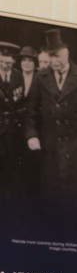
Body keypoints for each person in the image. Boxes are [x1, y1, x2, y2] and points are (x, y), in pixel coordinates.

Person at [25, 28, 77, 203]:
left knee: (76, 196)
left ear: (66, 54)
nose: (54, 61)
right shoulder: (40, 78)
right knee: (52, 194)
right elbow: (31, 111)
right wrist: (32, 135)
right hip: (50, 146)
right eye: (51, 56)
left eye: (58, 56)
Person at [0, 41, 25, 199]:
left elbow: (23, 103)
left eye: (8, 63)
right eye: (1, 62)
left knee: (13, 168)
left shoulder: (19, 76)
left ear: (14, 61)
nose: (4, 66)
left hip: (14, 131)